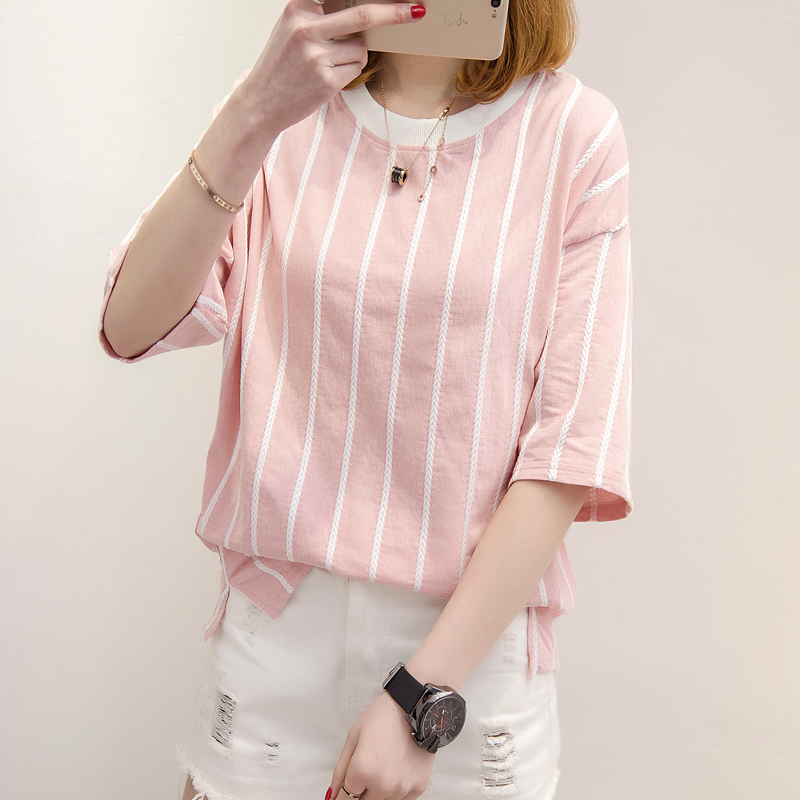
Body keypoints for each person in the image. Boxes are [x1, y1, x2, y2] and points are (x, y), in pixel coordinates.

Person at [97, 0, 634, 797]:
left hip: (466, 671)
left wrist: (421, 697)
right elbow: (128, 325)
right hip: (274, 641)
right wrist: (251, 112)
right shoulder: (284, 110)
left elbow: (568, 449)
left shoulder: (574, 134)